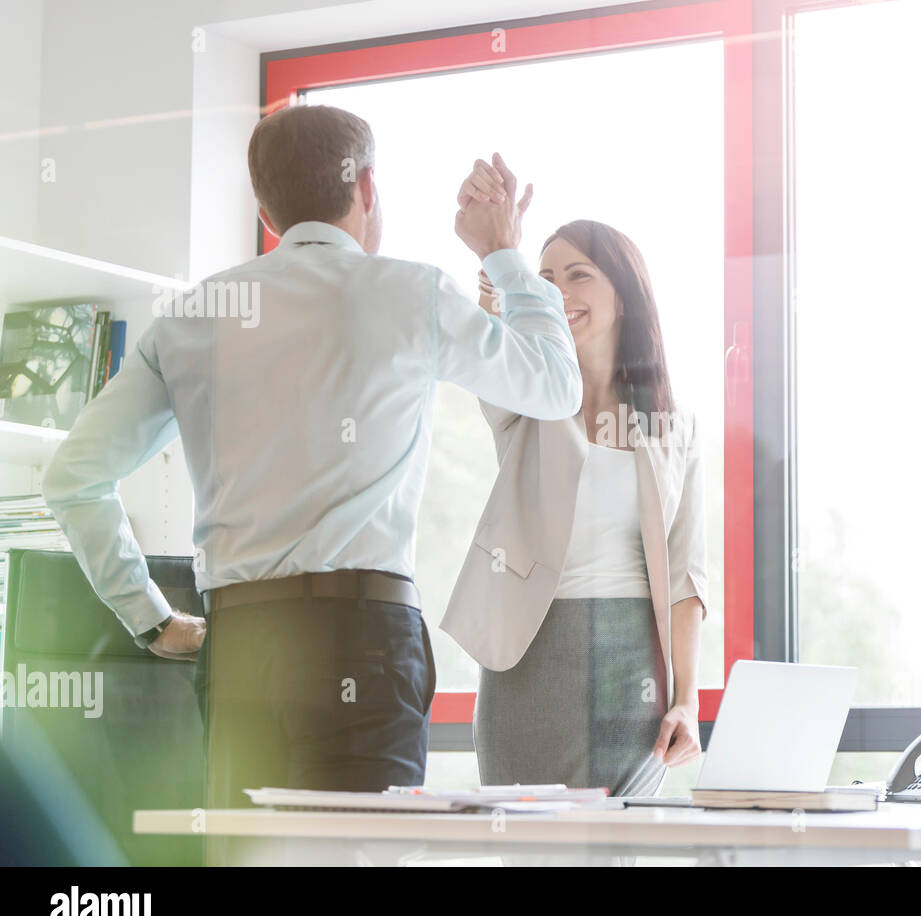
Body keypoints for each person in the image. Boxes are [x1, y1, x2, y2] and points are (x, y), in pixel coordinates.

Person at [42, 106, 581, 808]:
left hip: (240, 645)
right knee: (358, 858)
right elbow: (554, 385)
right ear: (367, 190)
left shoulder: (194, 315)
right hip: (364, 639)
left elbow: (72, 478)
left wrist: (151, 618)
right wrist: (503, 253)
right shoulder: (410, 293)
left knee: (249, 861)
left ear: (266, 210)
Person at [442, 161, 708, 797]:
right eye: (545, 279)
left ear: (624, 295)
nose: (558, 293)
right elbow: (487, 332)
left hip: (633, 669)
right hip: (529, 657)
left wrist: (687, 700)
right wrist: (496, 255)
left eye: (579, 276)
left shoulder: (673, 424)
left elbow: (685, 572)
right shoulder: (524, 394)